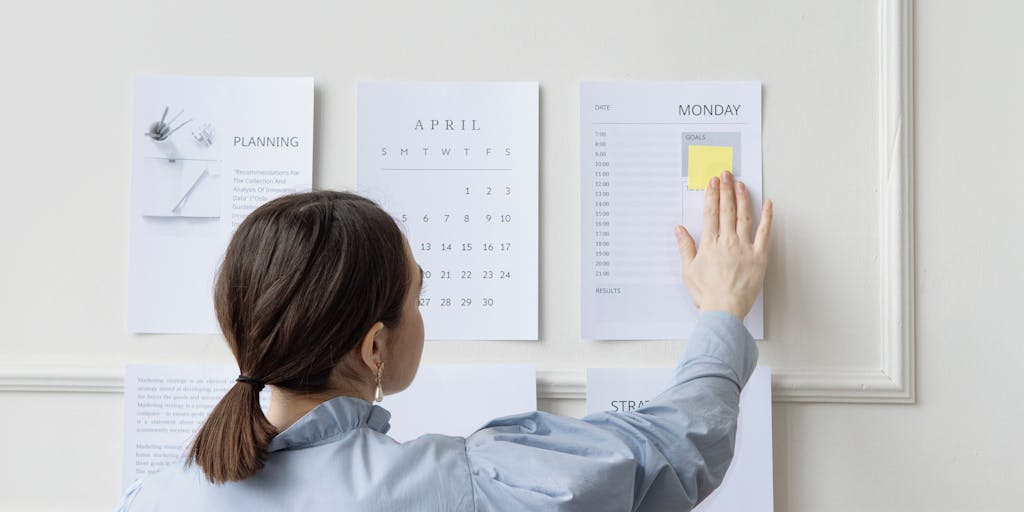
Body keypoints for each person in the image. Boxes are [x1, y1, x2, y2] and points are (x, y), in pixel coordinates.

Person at [116, 170, 772, 511]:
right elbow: (675, 449)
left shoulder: (153, 497)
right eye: (417, 295)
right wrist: (723, 309)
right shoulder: (458, 485)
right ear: (374, 348)